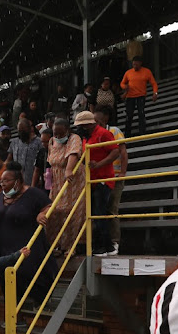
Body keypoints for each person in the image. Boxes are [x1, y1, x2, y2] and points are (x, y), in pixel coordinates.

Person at [0, 161, 58, 304]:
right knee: (9, 280)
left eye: (6, 181)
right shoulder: (1, 196)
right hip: (5, 248)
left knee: (31, 276)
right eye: (1, 181)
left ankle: (38, 307)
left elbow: (49, 206)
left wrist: (41, 214)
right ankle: (16, 316)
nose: (2, 184)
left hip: (28, 247)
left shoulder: (33, 193)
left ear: (17, 181)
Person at [74, 111, 120, 256]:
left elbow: (115, 152)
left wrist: (99, 164)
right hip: (92, 180)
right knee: (95, 213)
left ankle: (103, 246)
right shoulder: (86, 138)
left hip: (103, 179)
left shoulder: (104, 134)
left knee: (98, 212)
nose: (79, 129)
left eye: (81, 126)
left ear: (88, 124)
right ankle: (107, 246)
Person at [45, 119, 86, 253]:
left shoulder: (74, 138)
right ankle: (55, 245)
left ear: (67, 130)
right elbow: (50, 161)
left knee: (71, 212)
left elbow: (73, 154)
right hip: (57, 181)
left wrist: (68, 169)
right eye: (55, 134)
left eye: (60, 134)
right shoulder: (51, 142)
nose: (57, 137)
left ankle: (71, 246)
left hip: (73, 179)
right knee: (53, 212)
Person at [94, 106, 128, 255]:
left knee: (112, 208)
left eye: (97, 120)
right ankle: (103, 242)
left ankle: (114, 242)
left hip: (114, 175)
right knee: (100, 210)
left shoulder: (114, 131)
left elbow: (123, 152)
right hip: (101, 177)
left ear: (105, 119)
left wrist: (123, 173)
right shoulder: (94, 133)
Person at [120, 56, 158, 138]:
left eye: (136, 65)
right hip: (130, 97)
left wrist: (155, 93)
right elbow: (122, 83)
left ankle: (142, 132)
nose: (135, 66)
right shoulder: (128, 72)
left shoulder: (146, 71)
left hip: (141, 96)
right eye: (133, 64)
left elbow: (154, 83)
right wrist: (125, 87)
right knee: (129, 115)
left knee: (141, 113)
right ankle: (127, 134)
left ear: (140, 63)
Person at [7, 118, 42, 186]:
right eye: (19, 130)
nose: (21, 132)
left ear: (29, 129)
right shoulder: (14, 143)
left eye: (23, 130)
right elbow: (9, 159)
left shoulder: (39, 142)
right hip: (18, 181)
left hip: (34, 180)